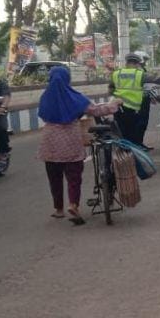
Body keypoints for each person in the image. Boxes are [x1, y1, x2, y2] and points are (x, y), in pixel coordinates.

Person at [37, 67, 121, 225]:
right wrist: (113, 104)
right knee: (73, 176)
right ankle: (73, 205)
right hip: (70, 139)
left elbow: (42, 114)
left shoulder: (45, 97)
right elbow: (95, 110)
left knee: (54, 177)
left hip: (49, 141)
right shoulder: (75, 97)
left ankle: (58, 209)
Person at [110, 53, 147, 145]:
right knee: (133, 136)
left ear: (126, 63)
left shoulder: (116, 73)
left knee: (121, 135)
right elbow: (154, 81)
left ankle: (122, 156)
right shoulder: (140, 74)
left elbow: (110, 90)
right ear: (137, 63)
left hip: (118, 109)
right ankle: (132, 157)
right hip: (132, 111)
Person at [0, 75, 11, 168]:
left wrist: (2, 107)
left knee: (0, 128)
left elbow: (6, 97)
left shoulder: (0, 84)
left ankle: (3, 153)